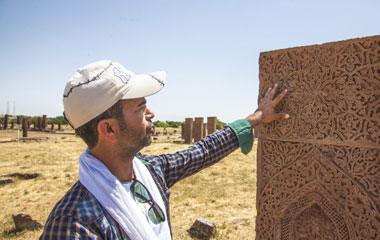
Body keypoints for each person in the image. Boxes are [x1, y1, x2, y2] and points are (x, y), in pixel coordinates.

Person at [40, 60, 289, 239]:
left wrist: (256, 118)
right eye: (140, 107)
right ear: (110, 130)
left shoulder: (150, 172)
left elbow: (202, 151)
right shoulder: (74, 224)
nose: (151, 114)